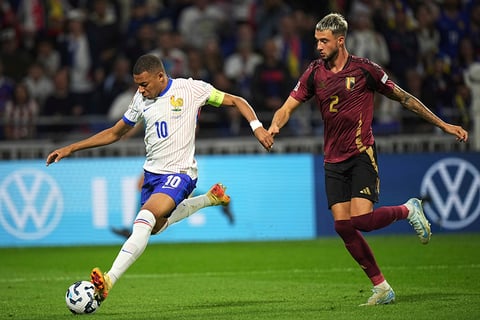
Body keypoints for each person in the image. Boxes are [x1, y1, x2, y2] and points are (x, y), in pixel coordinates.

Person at [267, 13, 468, 306]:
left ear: (340, 40)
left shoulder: (365, 70)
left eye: (324, 41)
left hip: (361, 154)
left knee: (361, 220)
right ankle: (382, 288)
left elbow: (406, 98)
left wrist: (444, 125)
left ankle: (408, 209)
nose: (319, 46)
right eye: (316, 41)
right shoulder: (314, 73)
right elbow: (287, 107)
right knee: (342, 226)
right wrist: (275, 125)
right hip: (332, 160)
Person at [46, 53, 273, 303]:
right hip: (152, 174)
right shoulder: (140, 100)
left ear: (161, 76)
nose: (141, 90)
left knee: (144, 218)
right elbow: (114, 133)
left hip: (180, 173)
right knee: (154, 227)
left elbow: (236, 100)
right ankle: (210, 199)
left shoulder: (191, 88)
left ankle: (108, 280)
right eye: (137, 85)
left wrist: (257, 126)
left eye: (144, 84)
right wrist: (71, 148)